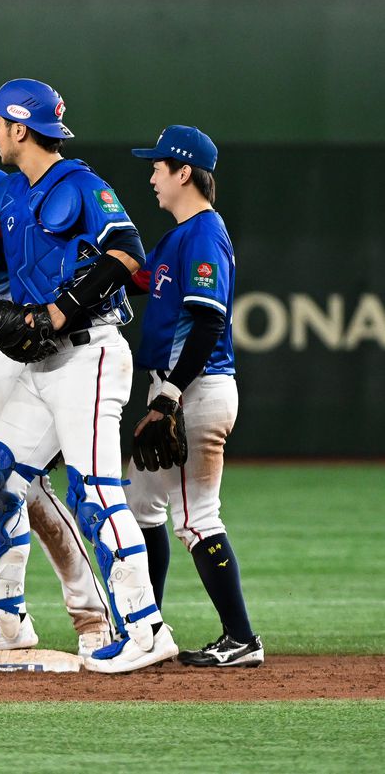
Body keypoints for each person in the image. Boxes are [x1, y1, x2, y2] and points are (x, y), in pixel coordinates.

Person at [0, 78, 175, 673]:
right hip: (43, 365)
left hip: (89, 354)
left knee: (94, 490)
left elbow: (127, 253)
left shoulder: (79, 185)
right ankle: (7, 623)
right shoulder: (14, 192)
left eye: (0, 124)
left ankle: (147, 627)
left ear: (19, 128)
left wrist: (55, 310)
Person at [124, 125, 262, 668]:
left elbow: (206, 323)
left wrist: (169, 398)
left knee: (196, 517)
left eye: (159, 166)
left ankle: (241, 639)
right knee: (142, 509)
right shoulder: (181, 234)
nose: (152, 175)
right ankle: (148, 627)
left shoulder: (203, 232)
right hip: (184, 388)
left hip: (195, 390)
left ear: (184, 172)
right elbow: (139, 277)